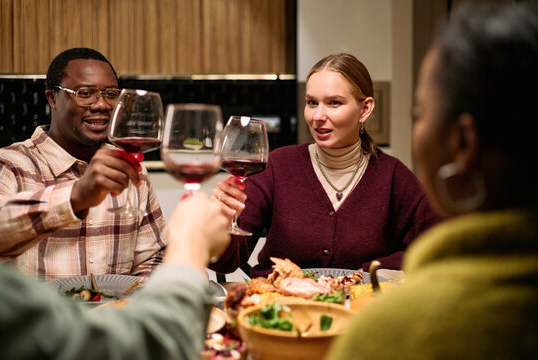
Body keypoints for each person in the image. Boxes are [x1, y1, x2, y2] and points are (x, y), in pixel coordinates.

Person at [327, 3, 538, 359]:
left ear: (464, 142)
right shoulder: (281, 163)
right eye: (311, 102)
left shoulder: (391, 332)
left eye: (419, 113)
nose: (320, 116)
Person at [211, 53, 440, 278]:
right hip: (279, 308)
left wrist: (372, 271)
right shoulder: (278, 167)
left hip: (362, 311)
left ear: (365, 109)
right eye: (312, 102)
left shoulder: (392, 176)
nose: (318, 116)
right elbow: (227, 260)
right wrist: (218, 222)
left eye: (334, 103)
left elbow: (438, 245)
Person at [0, 48, 166, 280]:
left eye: (110, 93)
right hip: (37, 316)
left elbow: (155, 256)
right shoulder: (11, 164)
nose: (101, 104)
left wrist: (135, 301)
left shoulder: (128, 167)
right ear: (52, 98)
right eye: (85, 93)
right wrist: (76, 196)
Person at [0, 193, 230, 359]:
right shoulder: (9, 165)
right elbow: (148, 344)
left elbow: (155, 255)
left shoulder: (132, 172)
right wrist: (190, 243)